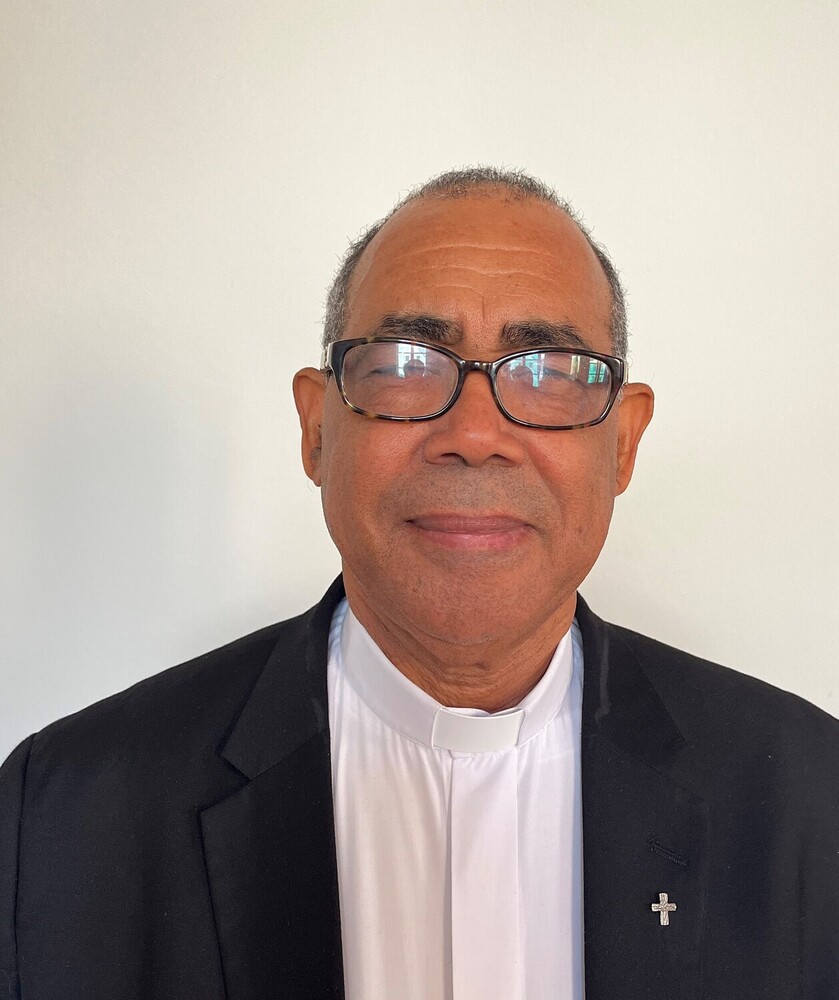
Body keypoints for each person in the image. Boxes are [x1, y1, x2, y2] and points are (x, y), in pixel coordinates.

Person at [1, 167, 837, 1000]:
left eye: (547, 369)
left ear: (621, 444)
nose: (474, 434)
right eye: (405, 365)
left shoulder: (810, 797)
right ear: (316, 428)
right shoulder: (61, 815)